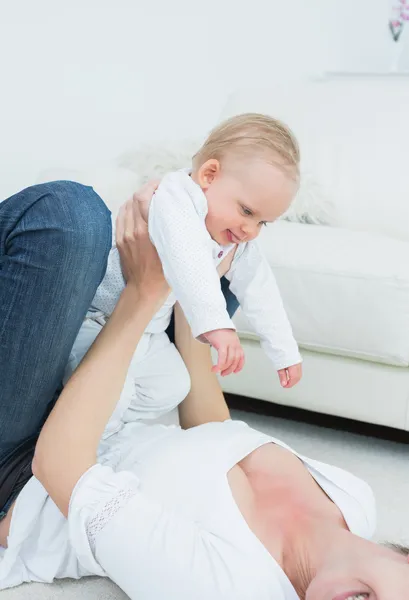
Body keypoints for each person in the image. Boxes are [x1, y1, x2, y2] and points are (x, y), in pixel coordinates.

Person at [1, 183, 409, 599]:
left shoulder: (232, 589)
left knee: (72, 218)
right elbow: (214, 436)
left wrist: (147, 292)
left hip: (22, 474)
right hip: (107, 410)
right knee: (219, 258)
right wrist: (188, 287)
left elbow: (59, 468)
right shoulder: (355, 501)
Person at [82, 113, 302, 425]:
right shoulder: (176, 196)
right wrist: (218, 326)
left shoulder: (237, 239)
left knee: (171, 386)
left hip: (148, 332)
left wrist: (285, 352)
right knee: (111, 390)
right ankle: (87, 436)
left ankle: (111, 431)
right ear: (209, 175)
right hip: (95, 320)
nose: (251, 230)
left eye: (262, 222)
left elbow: (260, 288)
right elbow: (187, 257)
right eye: (247, 211)